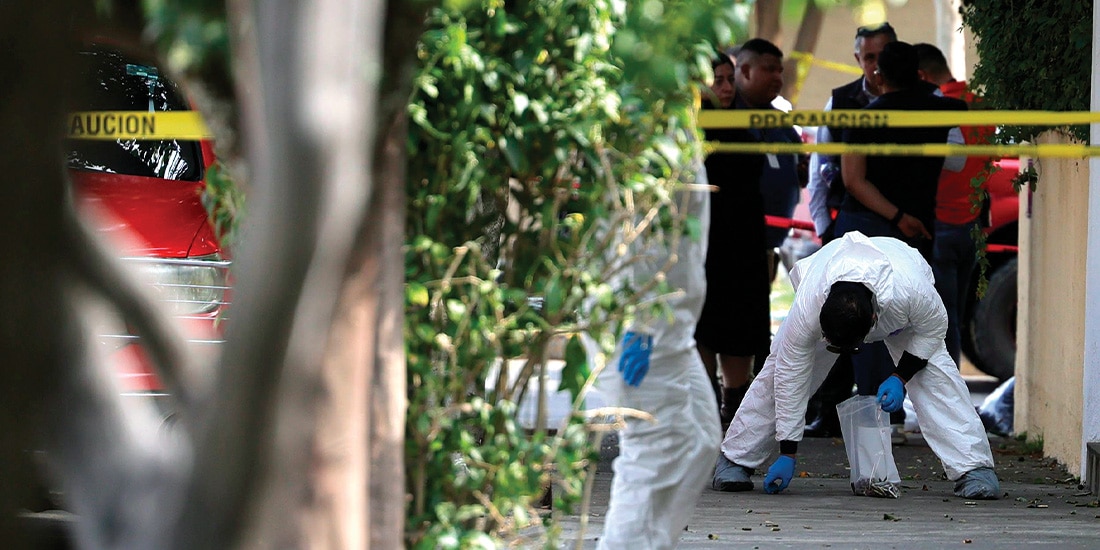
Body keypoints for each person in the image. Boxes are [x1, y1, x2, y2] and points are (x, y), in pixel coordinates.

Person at [711, 231, 1001, 500]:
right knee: (778, 375)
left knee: (935, 374)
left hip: (902, 296)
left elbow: (935, 328)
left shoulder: (912, 292)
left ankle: (973, 467)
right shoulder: (809, 306)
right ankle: (737, 457)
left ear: (873, 321)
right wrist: (789, 452)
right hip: (831, 287)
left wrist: (900, 377)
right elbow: (790, 376)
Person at [596, 153, 722, 549]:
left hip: (672, 326)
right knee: (652, 450)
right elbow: (636, 229)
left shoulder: (675, 123)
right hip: (644, 325)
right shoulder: (650, 126)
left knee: (701, 438)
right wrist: (641, 325)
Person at [801, 21, 897, 439]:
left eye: (883, 56)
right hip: (847, 226)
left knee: (889, 318)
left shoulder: (914, 100)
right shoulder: (840, 101)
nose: (875, 66)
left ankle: (886, 408)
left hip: (895, 231)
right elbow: (818, 174)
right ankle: (832, 408)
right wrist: (825, 229)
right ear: (857, 58)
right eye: (868, 57)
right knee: (835, 318)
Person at [696, 50, 770, 429]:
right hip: (704, 245)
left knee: (740, 332)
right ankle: (709, 413)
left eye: (729, 79)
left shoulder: (746, 120)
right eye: (717, 80)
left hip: (744, 245)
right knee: (703, 328)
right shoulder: (689, 130)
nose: (726, 87)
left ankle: (733, 411)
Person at [915, 42, 993, 366]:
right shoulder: (980, 104)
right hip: (972, 226)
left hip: (940, 224)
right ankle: (951, 400)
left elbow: (953, 161)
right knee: (954, 320)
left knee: (937, 324)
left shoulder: (939, 107)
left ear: (921, 75)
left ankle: (946, 403)